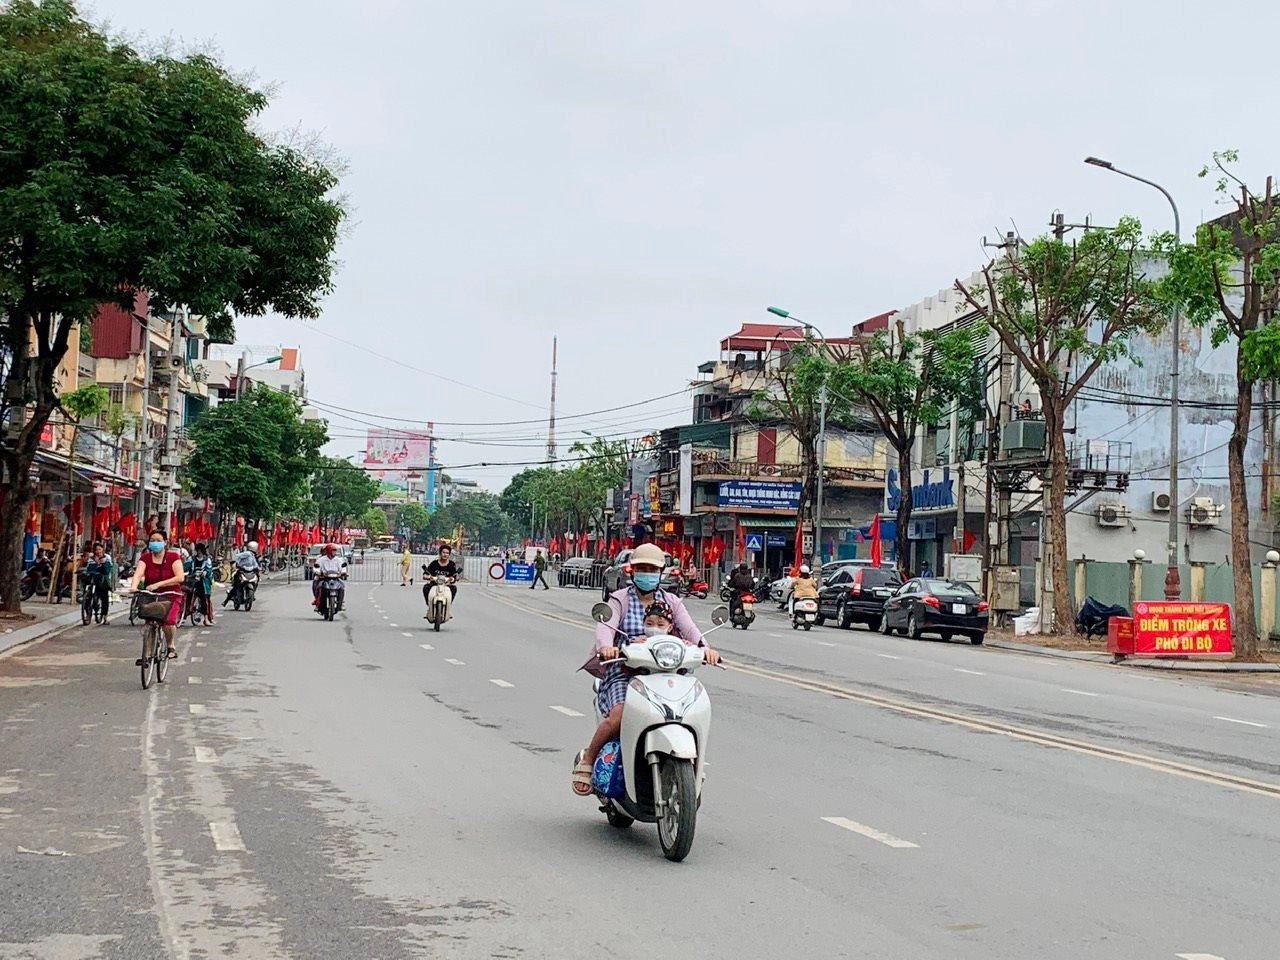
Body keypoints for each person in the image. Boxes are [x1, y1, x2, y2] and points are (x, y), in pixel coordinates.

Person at [571, 544, 720, 796]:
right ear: (632, 570)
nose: (647, 573)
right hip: (625, 671)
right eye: (642, 568)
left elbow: (690, 630)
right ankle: (589, 758)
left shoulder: (672, 601)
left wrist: (706, 648)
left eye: (652, 569)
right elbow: (605, 629)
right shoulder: (619, 599)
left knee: (687, 713)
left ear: (661, 572)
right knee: (618, 716)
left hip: (667, 673)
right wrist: (608, 648)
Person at [129, 530, 185, 662]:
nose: (155, 543)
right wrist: (134, 586)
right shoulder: (146, 557)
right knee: (149, 621)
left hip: (171, 594)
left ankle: (171, 645)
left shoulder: (173, 557)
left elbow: (180, 577)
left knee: (168, 622)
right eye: (152, 540)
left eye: (158, 540)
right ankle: (147, 655)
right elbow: (138, 574)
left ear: (165, 542)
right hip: (151, 595)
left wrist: (158, 584)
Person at [421, 544, 459, 617]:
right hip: (434, 585)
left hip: (446, 585)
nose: (445, 554)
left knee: (454, 588)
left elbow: (455, 576)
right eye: (443, 552)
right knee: (426, 587)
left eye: (447, 553)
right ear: (440, 553)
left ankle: (448, 607)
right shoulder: (434, 564)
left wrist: (453, 579)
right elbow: (425, 574)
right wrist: (428, 577)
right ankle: (429, 605)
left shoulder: (452, 564)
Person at [81, 543, 114, 620]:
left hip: (103, 580)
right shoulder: (91, 559)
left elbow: (107, 571)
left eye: (99, 549)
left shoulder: (107, 558)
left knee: (104, 598)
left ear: (102, 549)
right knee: (87, 598)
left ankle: (105, 617)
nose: (98, 551)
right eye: (96, 550)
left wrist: (100, 564)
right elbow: (89, 569)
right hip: (93, 579)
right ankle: (88, 614)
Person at [224, 540, 260, 607]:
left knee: (257, 579)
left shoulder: (253, 555)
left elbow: (255, 564)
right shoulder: (247, 554)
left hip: (250, 572)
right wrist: (236, 564)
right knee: (236, 584)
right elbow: (237, 557)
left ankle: (252, 595)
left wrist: (258, 568)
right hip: (242, 571)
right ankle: (229, 598)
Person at [312, 543, 347, 611]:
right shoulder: (321, 560)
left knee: (342, 587)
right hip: (324, 578)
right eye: (333, 550)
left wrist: (343, 572)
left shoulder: (338, 560)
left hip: (335, 578)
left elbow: (343, 567)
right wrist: (318, 572)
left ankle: (341, 603)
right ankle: (318, 603)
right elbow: (316, 567)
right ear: (328, 551)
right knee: (318, 586)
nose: (334, 552)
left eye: (335, 550)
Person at [188, 542, 215, 624]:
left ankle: (206, 618)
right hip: (192, 580)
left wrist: (205, 573)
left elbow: (209, 570)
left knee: (204, 598)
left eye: (198, 550)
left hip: (203, 582)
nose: (197, 552)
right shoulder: (192, 559)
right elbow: (185, 566)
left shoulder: (207, 560)